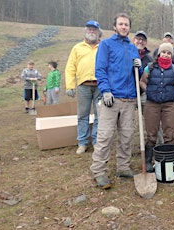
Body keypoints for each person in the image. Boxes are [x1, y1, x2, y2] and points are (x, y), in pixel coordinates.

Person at [89, 13, 142, 189]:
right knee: (105, 136)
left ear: (129, 27)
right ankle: (98, 171)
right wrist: (105, 91)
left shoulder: (133, 48)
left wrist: (139, 67)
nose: (124, 27)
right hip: (111, 97)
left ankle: (123, 167)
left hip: (129, 99)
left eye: (126, 24)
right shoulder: (106, 44)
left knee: (126, 136)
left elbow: (137, 76)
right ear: (114, 26)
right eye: (121, 24)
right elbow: (100, 69)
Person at [140, 42, 174, 172]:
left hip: (169, 105)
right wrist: (149, 90)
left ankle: (169, 161)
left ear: (171, 55)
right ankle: (148, 161)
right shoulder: (149, 67)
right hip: (152, 104)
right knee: (151, 134)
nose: (166, 55)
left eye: (169, 53)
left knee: (169, 133)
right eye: (164, 52)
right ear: (159, 53)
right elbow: (142, 82)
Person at [65, 20, 102, 154]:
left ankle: (97, 141)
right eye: (89, 29)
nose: (92, 32)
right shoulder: (77, 48)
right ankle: (82, 142)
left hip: (100, 86)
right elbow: (70, 67)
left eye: (94, 30)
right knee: (82, 115)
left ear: (99, 33)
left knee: (100, 115)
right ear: (85, 32)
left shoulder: (103, 47)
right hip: (83, 86)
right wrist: (70, 85)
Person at [133, 30, 154, 112]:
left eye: (143, 40)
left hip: (143, 93)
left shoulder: (149, 59)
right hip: (129, 93)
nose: (140, 41)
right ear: (134, 40)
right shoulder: (127, 54)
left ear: (146, 43)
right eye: (138, 39)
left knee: (149, 117)